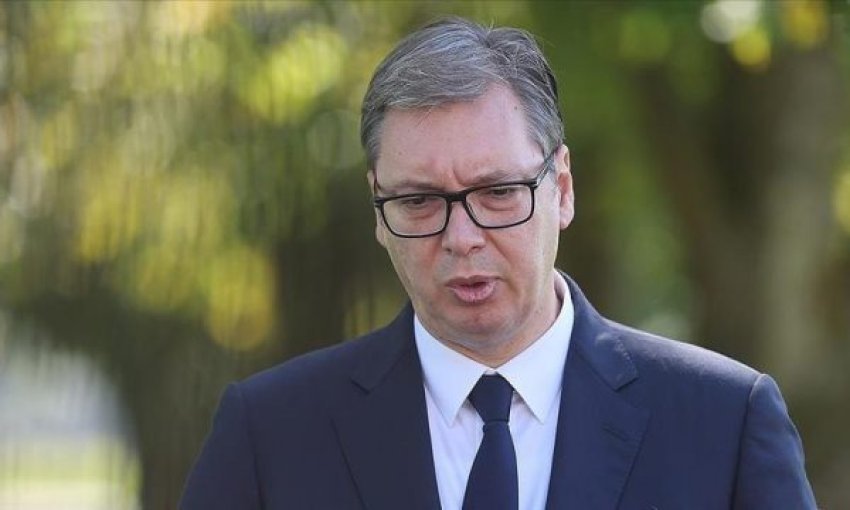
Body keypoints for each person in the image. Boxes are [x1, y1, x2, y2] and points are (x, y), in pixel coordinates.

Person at [181, 17, 816, 510]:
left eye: (498, 193)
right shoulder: (270, 434)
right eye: (419, 201)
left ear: (562, 188)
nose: (462, 238)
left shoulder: (724, 421)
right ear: (377, 207)